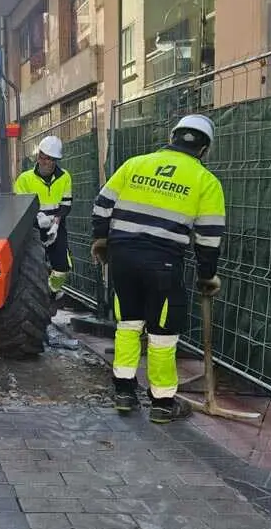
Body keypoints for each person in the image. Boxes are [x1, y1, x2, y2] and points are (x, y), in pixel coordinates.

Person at [90, 114, 225, 424]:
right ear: (204, 149)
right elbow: (209, 236)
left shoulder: (135, 164)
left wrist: (101, 239)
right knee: (163, 333)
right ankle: (162, 403)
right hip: (163, 264)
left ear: (173, 136)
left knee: (128, 324)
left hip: (122, 258)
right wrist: (207, 275)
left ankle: (124, 391)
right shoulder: (206, 181)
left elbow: (102, 204)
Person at [14, 135, 73, 303]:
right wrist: (37, 218)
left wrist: (55, 224)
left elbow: (66, 204)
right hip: (32, 230)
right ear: (38, 157)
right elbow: (20, 206)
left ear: (55, 160)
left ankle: (51, 293)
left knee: (62, 268)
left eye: (49, 159)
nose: (44, 162)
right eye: (42, 157)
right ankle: (36, 297)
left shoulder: (65, 177)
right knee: (32, 268)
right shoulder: (24, 179)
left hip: (56, 227)